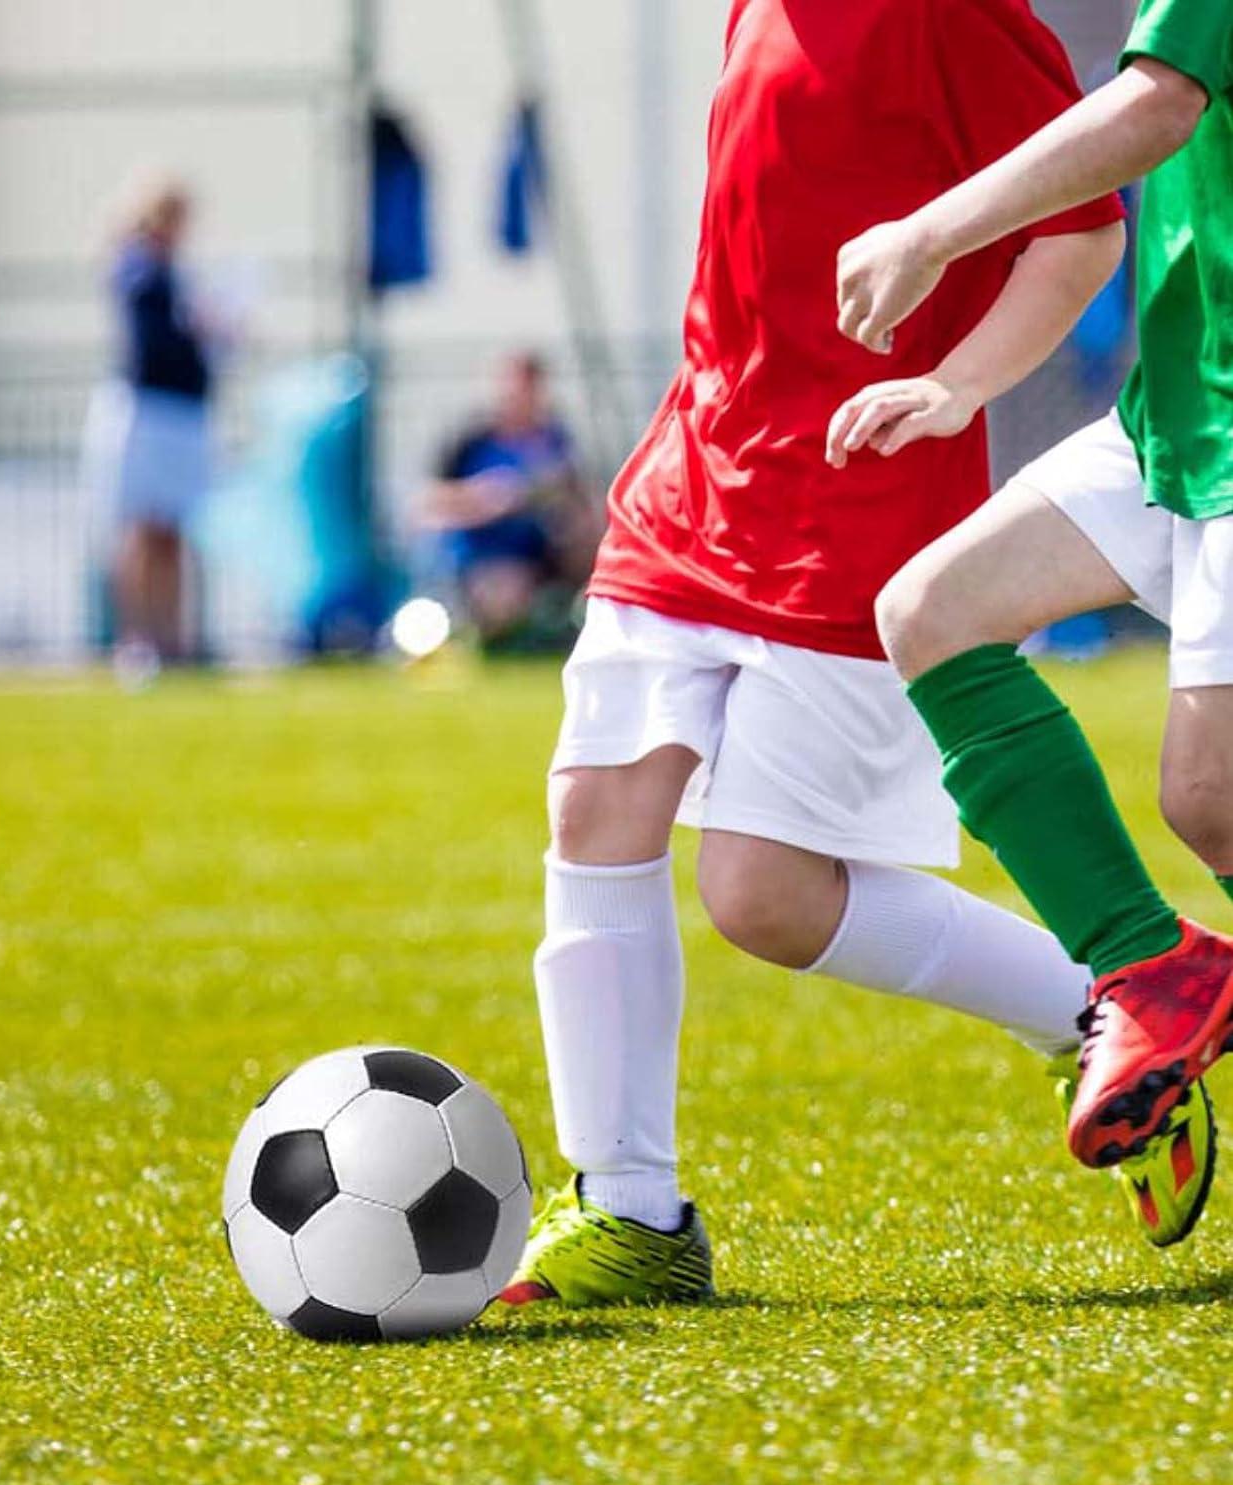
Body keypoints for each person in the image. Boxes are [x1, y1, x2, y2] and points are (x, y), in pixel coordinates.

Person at [500, 0, 1191, 1314]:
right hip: (696, 462)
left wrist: (959, 390)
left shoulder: (956, 13)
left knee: (765, 896)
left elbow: (1084, 231)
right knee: (595, 805)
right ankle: (631, 1211)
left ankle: (1105, 1011)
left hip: (860, 489)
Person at [831, 1, 1233, 1172]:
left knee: (1210, 796)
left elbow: (1159, 102)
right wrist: (959, 390)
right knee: (933, 613)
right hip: (1178, 411)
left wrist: (931, 233)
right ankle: (1150, 968)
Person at [85, 178, 218, 684]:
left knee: (172, 531)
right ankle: (137, 639)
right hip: (149, 413)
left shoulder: (174, 275)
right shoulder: (138, 270)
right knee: (141, 529)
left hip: (183, 413)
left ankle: (173, 639)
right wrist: (196, 330)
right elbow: (154, 345)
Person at [419, 353, 595, 648]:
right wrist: (482, 498)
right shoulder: (473, 440)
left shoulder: (553, 440)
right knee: (505, 590)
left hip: (538, 551)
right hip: (482, 555)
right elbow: (428, 502)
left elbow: (578, 498)